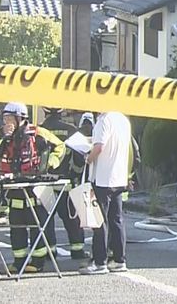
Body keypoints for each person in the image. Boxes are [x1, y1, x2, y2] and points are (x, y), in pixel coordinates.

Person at [0, 102, 65, 274]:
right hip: (13, 186)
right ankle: (19, 261)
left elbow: (60, 146)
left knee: (37, 225)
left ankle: (38, 262)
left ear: (20, 117)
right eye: (4, 117)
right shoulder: (1, 134)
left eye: (9, 117)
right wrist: (1, 134)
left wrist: (51, 162)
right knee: (17, 227)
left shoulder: (38, 133)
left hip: (34, 186)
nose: (6, 121)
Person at [80, 111, 133, 275]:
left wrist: (88, 157)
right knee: (116, 219)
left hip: (102, 177)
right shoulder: (123, 120)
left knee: (99, 221)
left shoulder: (103, 120)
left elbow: (99, 146)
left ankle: (99, 262)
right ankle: (119, 260)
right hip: (118, 177)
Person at [40, 107, 87, 259]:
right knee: (72, 218)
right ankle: (77, 250)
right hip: (65, 183)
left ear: (45, 112)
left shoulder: (39, 130)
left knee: (46, 219)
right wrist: (76, 175)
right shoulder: (71, 130)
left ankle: (50, 251)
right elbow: (81, 156)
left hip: (43, 184)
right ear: (62, 112)